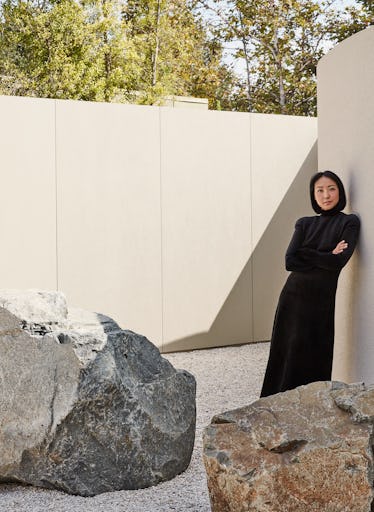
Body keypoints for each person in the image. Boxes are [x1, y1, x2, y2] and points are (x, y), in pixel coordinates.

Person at [260, 170, 360, 398]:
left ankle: (311, 407)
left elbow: (338, 262)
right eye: (320, 190)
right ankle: (276, 404)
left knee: (316, 353)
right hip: (292, 296)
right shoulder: (304, 223)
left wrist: (307, 252)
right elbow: (290, 261)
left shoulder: (349, 222)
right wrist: (325, 253)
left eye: (331, 188)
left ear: (340, 192)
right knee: (285, 351)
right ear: (313, 196)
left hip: (321, 300)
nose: (326, 195)